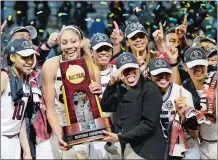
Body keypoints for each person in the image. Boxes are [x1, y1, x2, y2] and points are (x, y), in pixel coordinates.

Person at [40, 25, 102, 159]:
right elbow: (50, 108)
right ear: (60, 45)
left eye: (73, 41)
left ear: (80, 42)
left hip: (86, 127)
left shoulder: (92, 67)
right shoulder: (50, 66)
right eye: (64, 42)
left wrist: (98, 92)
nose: (69, 46)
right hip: (60, 126)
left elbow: (96, 108)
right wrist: (60, 135)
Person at [101, 52, 166, 159]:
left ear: (139, 69)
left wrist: (121, 137)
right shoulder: (119, 88)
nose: (130, 73)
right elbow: (106, 106)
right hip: (127, 148)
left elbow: (149, 124)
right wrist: (111, 83)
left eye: (133, 69)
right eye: (125, 70)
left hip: (147, 150)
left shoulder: (149, 88)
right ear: (119, 73)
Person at [147, 57, 200, 159]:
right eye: (158, 74)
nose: (163, 77)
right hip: (162, 147)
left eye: (166, 73)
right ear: (149, 76)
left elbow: (194, 134)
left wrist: (184, 116)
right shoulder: (146, 95)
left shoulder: (183, 94)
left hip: (186, 148)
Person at [1, 37, 39, 159]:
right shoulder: (4, 77)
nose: (28, 61)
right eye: (24, 57)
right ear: (12, 57)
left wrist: (26, 150)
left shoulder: (26, 80)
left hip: (15, 140)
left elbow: (20, 119)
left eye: (30, 57)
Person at [90, 33, 120, 159]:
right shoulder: (85, 74)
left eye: (106, 49)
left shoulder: (119, 71)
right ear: (91, 52)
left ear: (111, 51)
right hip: (94, 135)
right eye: (99, 49)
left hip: (117, 133)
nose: (103, 52)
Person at [183, 47, 217, 159]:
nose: (198, 69)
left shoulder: (215, 81)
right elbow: (194, 133)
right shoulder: (185, 90)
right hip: (204, 147)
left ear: (207, 64)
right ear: (185, 67)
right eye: (194, 66)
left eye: (201, 65)